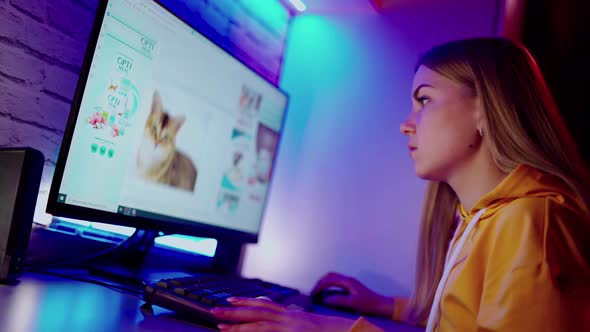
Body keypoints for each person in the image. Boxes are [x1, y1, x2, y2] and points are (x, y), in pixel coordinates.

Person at [210, 37, 590, 331]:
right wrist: (380, 306)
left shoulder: (530, 220)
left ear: (486, 108)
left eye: (424, 100)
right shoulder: (483, 218)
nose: (406, 123)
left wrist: (323, 327)